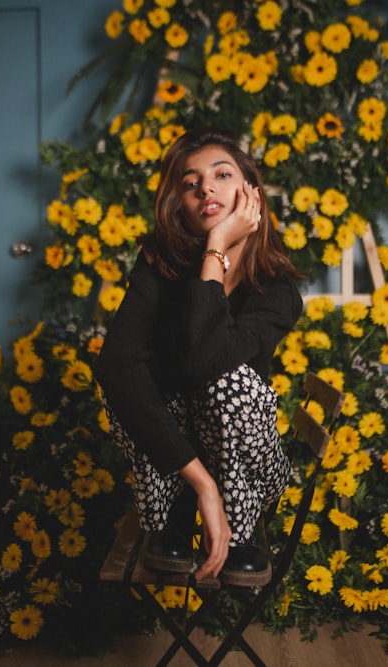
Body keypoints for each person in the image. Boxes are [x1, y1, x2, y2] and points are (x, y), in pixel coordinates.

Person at [95, 127, 303, 585]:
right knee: (130, 380)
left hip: (249, 465)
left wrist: (216, 250)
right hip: (180, 462)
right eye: (190, 184)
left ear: (251, 193)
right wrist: (202, 483)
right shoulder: (158, 266)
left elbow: (206, 363)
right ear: (181, 208)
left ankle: (240, 523)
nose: (205, 187)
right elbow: (114, 365)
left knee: (228, 380)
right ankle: (180, 506)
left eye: (221, 174)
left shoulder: (276, 291)